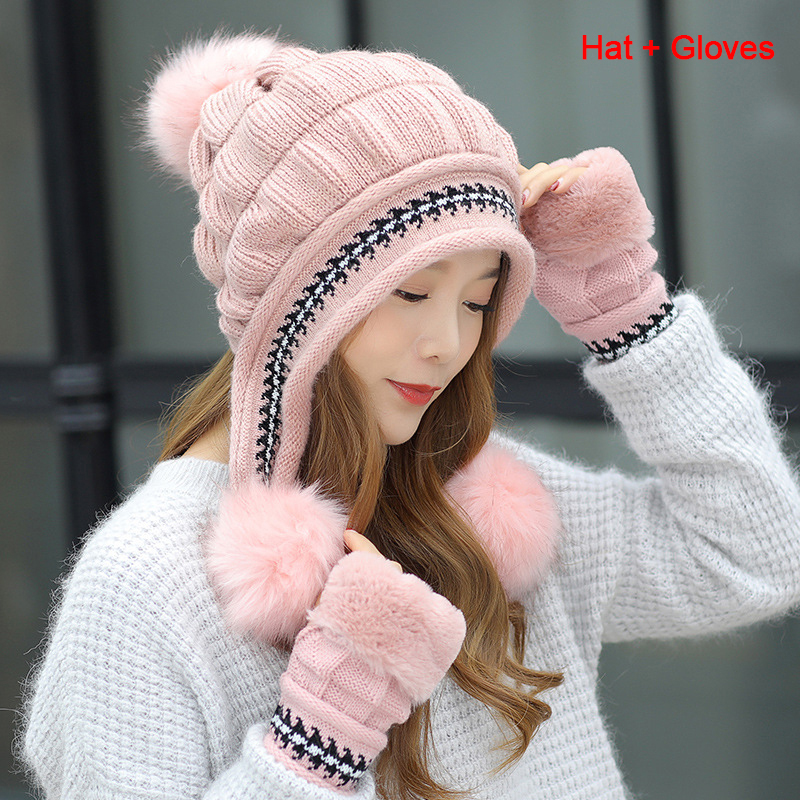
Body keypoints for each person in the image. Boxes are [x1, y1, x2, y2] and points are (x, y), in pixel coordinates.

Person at [19, 31, 800, 800]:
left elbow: (757, 556)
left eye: (477, 300)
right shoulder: (145, 584)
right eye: (412, 291)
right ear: (297, 304)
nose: (448, 344)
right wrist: (318, 740)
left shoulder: (482, 507)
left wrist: (625, 306)